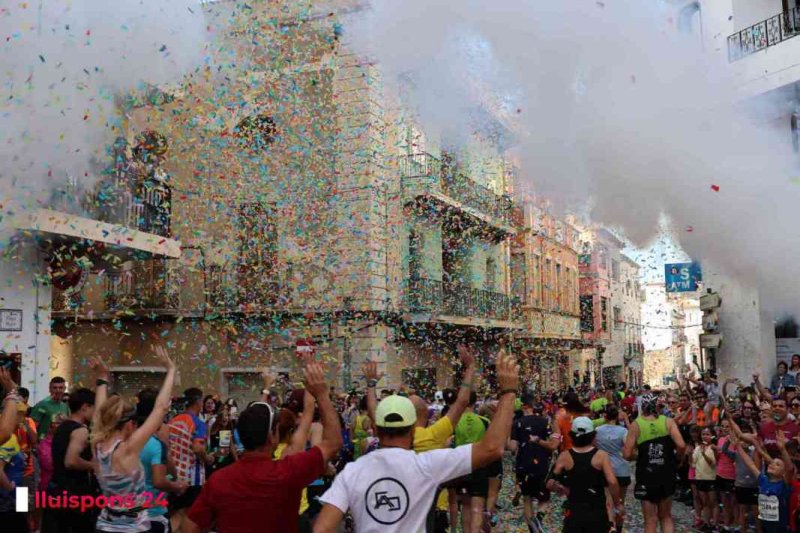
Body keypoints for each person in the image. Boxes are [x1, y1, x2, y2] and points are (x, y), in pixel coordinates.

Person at [313, 349, 519, 533]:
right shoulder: (427, 464)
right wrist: (508, 392)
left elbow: (322, 528)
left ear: (375, 428)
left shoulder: (352, 472)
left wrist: (369, 385)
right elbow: (492, 448)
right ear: (413, 428)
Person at [184, 358, 342, 533]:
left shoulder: (219, 480)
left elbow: (189, 527)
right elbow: (334, 443)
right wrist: (321, 395)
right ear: (272, 436)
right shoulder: (289, 471)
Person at [91, 347, 177, 532]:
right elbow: (160, 408)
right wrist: (170, 370)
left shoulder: (97, 445)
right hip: (132, 528)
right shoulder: (128, 449)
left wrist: (102, 379)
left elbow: (99, 414)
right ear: (129, 424)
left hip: (105, 525)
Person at [623, 392, 686, 533]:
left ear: (642, 407)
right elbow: (681, 445)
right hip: (666, 472)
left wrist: (639, 455)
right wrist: (677, 459)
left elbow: (627, 454)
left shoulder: (636, 424)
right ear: (656, 406)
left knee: (650, 519)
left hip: (646, 474)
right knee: (666, 516)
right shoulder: (668, 421)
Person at [547, 417, 622, 533]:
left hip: (574, 510)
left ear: (572, 435)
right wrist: (618, 504)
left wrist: (560, 489)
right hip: (596, 510)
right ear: (592, 436)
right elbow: (612, 482)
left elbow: (550, 483)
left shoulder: (565, 456)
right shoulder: (601, 456)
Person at [41, 387, 97, 533]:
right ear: (85, 407)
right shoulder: (80, 430)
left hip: (56, 489)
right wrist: (93, 465)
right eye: (94, 408)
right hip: (73, 494)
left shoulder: (62, 427)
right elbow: (71, 461)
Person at [135, 388, 189, 533]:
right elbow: (159, 480)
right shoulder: (156, 442)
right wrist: (177, 485)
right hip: (153, 512)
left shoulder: (127, 437)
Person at [509, 398, 561, 533]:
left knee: (527, 498)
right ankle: (539, 517)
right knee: (544, 498)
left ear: (526, 408)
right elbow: (552, 445)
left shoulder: (517, 423)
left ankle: (532, 528)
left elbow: (513, 447)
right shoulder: (546, 423)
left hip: (523, 464)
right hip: (542, 464)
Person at [735, 428, 794, 532]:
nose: (772, 464)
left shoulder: (784, 484)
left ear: (783, 473)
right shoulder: (763, 480)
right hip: (764, 526)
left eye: (777, 464)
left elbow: (789, 468)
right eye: (772, 463)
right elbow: (750, 463)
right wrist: (738, 447)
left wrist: (783, 449)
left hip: (780, 528)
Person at [168, 387, 208, 533]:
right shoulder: (198, 423)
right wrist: (207, 458)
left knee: (177, 513)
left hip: (174, 474)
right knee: (186, 516)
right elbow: (197, 448)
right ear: (198, 401)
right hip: (192, 477)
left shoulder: (174, 420)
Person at [595, 404, 630, 532]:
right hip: (621, 469)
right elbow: (628, 450)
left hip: (604, 469)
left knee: (608, 501)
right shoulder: (623, 431)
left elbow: (594, 448)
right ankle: (619, 528)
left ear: (605, 416)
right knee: (620, 501)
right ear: (617, 417)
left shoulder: (598, 430)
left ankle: (610, 526)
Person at [0, 401, 29, 532]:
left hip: (19, 489)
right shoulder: (8, 438)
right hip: (10, 495)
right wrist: (10, 488)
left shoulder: (15, 436)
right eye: (21, 415)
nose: (24, 419)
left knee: (23, 519)